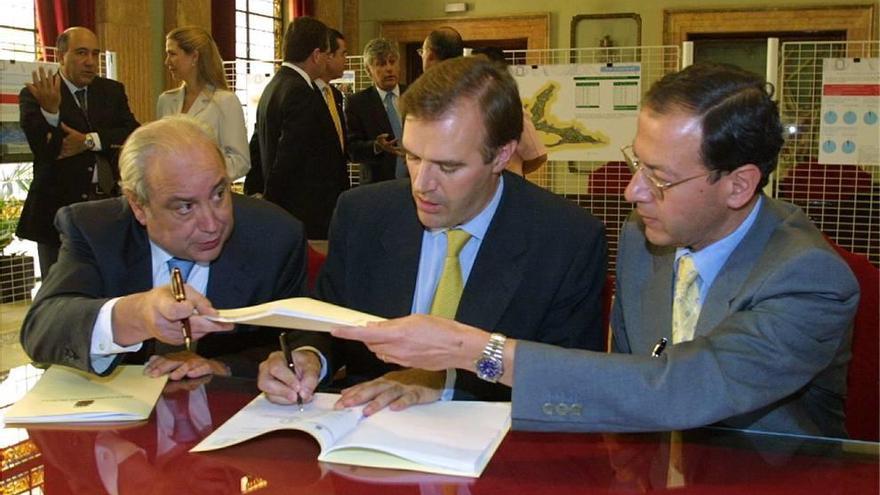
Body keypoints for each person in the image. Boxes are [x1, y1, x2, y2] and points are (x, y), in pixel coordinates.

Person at [331, 63, 860, 437]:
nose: (632, 192)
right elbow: (622, 382)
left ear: (740, 185)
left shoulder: (809, 279)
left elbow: (672, 390)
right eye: (637, 163)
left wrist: (475, 352)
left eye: (660, 177)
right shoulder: (643, 236)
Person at [258, 56, 607, 415]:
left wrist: (445, 386)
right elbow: (327, 322)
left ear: (502, 155)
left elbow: (572, 383)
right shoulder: (362, 214)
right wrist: (307, 358)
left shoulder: (566, 239)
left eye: (448, 166)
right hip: (365, 436)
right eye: (412, 157)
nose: (422, 185)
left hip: (495, 450)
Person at [20, 116, 308, 380]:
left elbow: (300, 344)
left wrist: (225, 367)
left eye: (219, 194)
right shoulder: (95, 229)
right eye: (185, 207)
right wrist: (136, 314)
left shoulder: (275, 236)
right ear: (138, 206)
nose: (212, 223)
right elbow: (42, 329)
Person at [17, 26, 139, 275]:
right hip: (57, 211)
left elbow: (132, 132)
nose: (91, 62)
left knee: (108, 280)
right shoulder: (37, 94)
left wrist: (89, 140)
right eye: (82, 53)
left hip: (107, 205)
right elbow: (44, 150)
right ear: (61, 56)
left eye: (95, 54)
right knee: (62, 286)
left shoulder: (111, 91)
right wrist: (51, 114)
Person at [256, 16, 349, 240]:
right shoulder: (301, 92)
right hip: (303, 213)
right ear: (316, 55)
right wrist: (271, 201)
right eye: (327, 54)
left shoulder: (274, 86)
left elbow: (257, 146)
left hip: (284, 208)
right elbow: (289, 157)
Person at [157, 26, 250, 181]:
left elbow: (240, 161)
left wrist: (199, 174)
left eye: (172, 54)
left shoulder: (225, 102)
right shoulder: (165, 101)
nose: (167, 62)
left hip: (209, 195)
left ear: (194, 57)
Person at [471, 46, 547, 176]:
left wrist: (512, 177)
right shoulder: (467, 110)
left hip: (506, 189)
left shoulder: (511, 110)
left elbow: (538, 156)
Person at [344, 37, 407, 184]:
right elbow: (352, 150)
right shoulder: (357, 103)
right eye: (381, 64)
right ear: (368, 70)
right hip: (378, 185)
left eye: (392, 62)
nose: (389, 68)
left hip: (414, 183)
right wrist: (377, 146)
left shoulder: (414, 94)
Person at [314, 28, 348, 160]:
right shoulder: (306, 94)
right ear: (328, 56)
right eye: (343, 54)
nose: (346, 59)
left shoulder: (336, 94)